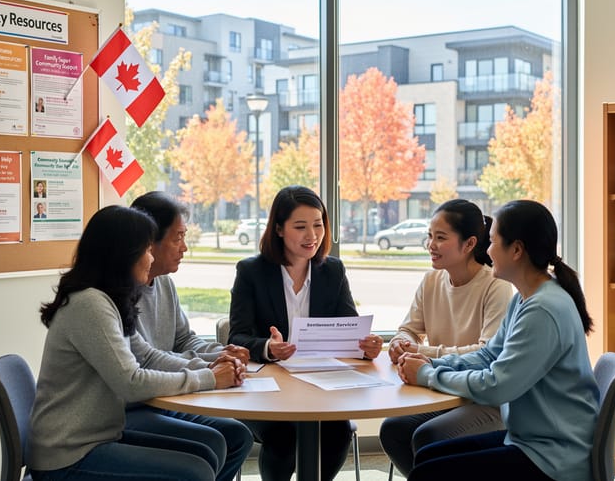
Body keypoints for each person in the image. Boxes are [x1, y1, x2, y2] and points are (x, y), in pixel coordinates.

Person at [26, 205, 246, 481]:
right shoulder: (90, 304)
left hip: (98, 437)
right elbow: (131, 382)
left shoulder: (108, 299)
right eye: (147, 250)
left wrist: (211, 367)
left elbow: (147, 357)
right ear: (123, 255)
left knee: (209, 451)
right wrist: (208, 378)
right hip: (67, 456)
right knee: (196, 471)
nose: (151, 258)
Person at [401, 200, 599, 481]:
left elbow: (497, 386)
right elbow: (488, 355)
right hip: (530, 441)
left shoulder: (543, 309)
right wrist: (432, 363)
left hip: (553, 456)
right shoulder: (525, 298)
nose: (487, 250)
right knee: (426, 456)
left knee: (428, 472)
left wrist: (427, 375)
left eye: (493, 242)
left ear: (516, 250)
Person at [228, 185, 383, 481]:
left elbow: (350, 328)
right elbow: (236, 337)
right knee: (284, 438)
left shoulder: (332, 271)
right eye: (300, 227)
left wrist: (366, 346)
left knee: (338, 432)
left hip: (320, 386)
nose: (312, 235)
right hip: (266, 389)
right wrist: (268, 347)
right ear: (279, 229)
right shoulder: (251, 272)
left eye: (318, 225)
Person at [378, 199, 513, 477]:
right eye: (430, 236)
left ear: (469, 244)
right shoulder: (431, 281)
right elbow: (408, 328)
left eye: (440, 238)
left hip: (484, 400)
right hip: (441, 390)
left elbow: (487, 353)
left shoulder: (495, 286)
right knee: (392, 429)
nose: (431, 245)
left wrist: (423, 353)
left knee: (428, 436)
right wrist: (400, 343)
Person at [127, 191, 253, 481]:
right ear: (149, 241)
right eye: (178, 238)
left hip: (162, 396)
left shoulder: (164, 283)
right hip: (133, 407)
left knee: (237, 436)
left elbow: (184, 339)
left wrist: (222, 352)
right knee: (211, 445)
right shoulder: (118, 294)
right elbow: (145, 360)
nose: (184, 247)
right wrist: (210, 369)